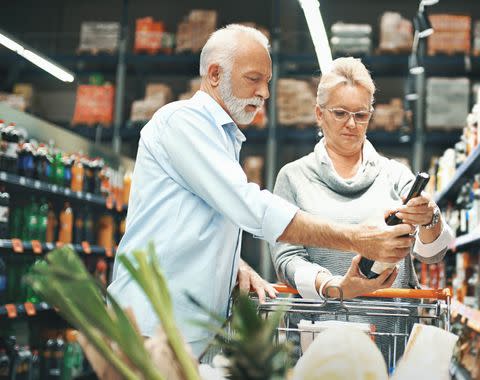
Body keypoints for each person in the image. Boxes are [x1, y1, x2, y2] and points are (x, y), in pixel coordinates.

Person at [107, 25, 416, 359]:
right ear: (214, 75)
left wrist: (232, 263)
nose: (265, 93)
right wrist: (356, 238)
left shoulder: (223, 138)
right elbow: (249, 206)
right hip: (151, 327)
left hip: (189, 329)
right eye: (254, 79)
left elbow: (192, 221)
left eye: (267, 81)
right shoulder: (183, 122)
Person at [271, 57, 453, 358]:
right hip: (318, 337)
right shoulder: (293, 177)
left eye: (361, 114)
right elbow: (287, 258)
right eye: (340, 113)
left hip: (389, 335)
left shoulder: (396, 174)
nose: (351, 124)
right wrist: (335, 286)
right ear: (319, 114)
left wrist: (431, 218)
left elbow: (433, 255)